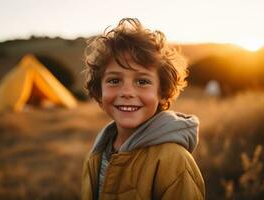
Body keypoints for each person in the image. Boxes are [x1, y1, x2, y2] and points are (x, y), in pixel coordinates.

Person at [81, 18, 205, 200]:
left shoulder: (175, 162)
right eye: (114, 80)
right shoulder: (97, 154)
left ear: (162, 92)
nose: (127, 92)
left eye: (142, 81)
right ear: (100, 92)